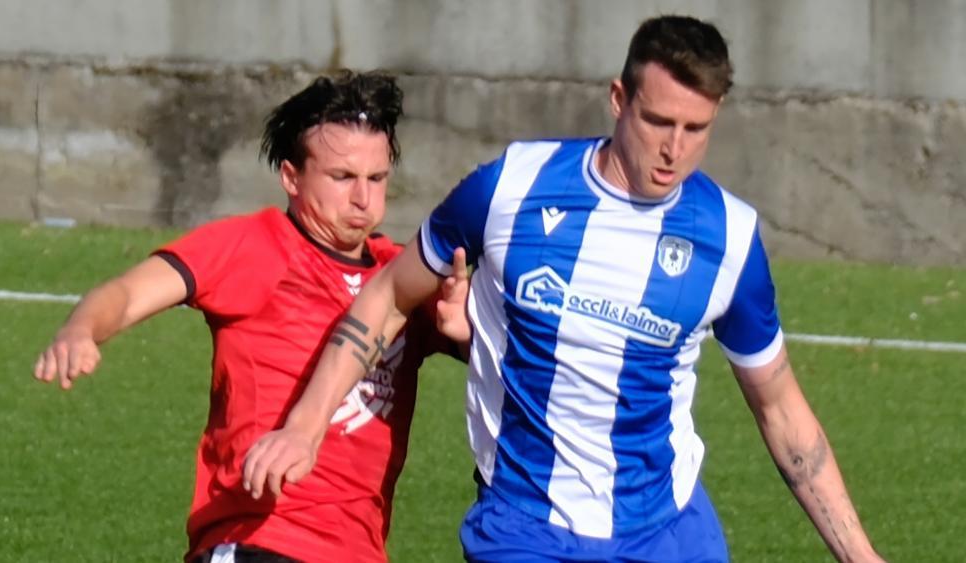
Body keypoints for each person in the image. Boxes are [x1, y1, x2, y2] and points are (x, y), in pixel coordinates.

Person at [241, 16, 887, 563]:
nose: (674, 149)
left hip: (666, 526)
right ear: (618, 99)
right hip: (526, 525)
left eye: (696, 129)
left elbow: (780, 408)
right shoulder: (511, 189)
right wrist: (304, 426)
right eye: (659, 121)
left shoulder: (730, 239)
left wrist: (863, 556)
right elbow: (387, 294)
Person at [33, 70, 469, 563]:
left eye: (377, 178)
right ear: (291, 177)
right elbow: (127, 293)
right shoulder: (251, 245)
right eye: (342, 177)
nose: (363, 199)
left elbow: (514, 357)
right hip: (258, 538)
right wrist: (81, 330)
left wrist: (466, 329)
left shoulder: (402, 276)